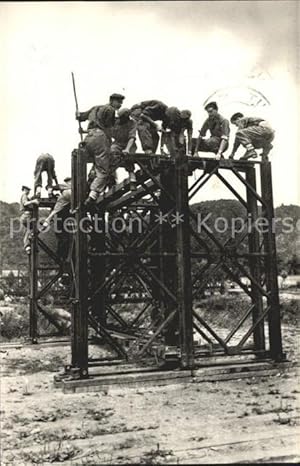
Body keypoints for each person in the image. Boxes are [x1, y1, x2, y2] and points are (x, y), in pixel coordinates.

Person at [76, 93, 125, 209]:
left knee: (94, 167)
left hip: (88, 138)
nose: (120, 105)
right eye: (119, 102)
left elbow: (81, 116)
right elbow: (108, 129)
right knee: (104, 169)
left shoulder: (95, 108)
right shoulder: (110, 110)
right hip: (100, 138)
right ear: (112, 101)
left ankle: (83, 193)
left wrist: (78, 115)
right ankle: (92, 196)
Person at [39, 178, 73, 260]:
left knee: (62, 237)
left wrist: (50, 190)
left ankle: (61, 255)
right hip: (65, 218)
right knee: (65, 238)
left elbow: (55, 187)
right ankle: (63, 255)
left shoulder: (65, 188)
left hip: (61, 219)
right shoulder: (72, 186)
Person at [110, 108, 138, 189]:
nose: (120, 119)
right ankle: (111, 177)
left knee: (129, 157)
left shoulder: (132, 123)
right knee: (112, 151)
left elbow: (132, 138)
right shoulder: (115, 122)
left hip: (129, 144)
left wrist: (127, 149)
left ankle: (132, 177)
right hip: (118, 143)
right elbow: (105, 130)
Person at [20, 185, 39, 255]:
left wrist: (33, 199)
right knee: (32, 229)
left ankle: (27, 247)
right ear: (24, 190)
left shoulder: (26, 197)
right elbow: (25, 203)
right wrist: (33, 201)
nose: (28, 191)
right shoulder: (24, 195)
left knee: (29, 231)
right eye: (27, 190)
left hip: (26, 216)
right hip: (27, 216)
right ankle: (30, 241)